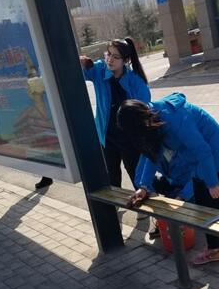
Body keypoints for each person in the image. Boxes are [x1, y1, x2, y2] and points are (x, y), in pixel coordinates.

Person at [119, 92, 219, 279]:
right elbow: (152, 155)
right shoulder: (151, 122)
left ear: (139, 121)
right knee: (203, 208)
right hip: (198, 162)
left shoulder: (173, 117)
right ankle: (215, 249)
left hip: (215, 156)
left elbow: (202, 149)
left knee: (218, 208)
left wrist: (212, 182)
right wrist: (144, 186)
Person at [36, 38, 151, 191]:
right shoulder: (100, 70)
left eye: (116, 57)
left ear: (125, 60)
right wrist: (80, 61)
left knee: (137, 176)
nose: (110, 59)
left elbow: (145, 108)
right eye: (108, 54)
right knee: (112, 178)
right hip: (107, 137)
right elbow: (76, 72)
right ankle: (115, 203)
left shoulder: (135, 81)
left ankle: (142, 203)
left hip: (129, 138)